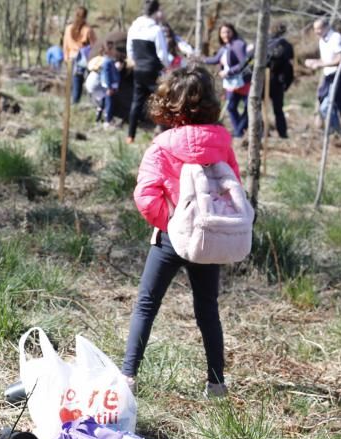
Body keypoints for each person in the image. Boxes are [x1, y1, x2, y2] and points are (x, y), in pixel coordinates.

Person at [121, 64, 239, 398]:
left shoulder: (162, 144)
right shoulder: (222, 142)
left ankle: (128, 376)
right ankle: (216, 383)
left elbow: (146, 195)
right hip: (207, 236)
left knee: (146, 304)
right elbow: (235, 186)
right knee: (208, 309)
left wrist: (169, 222)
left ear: (169, 102)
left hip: (172, 237)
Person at [125, 0, 170, 143]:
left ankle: (130, 135)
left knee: (136, 101)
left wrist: (135, 61)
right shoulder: (156, 29)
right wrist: (167, 66)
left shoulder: (134, 27)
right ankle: (160, 135)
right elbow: (162, 54)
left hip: (138, 69)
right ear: (156, 12)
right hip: (153, 70)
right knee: (162, 100)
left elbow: (129, 50)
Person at [204, 23, 250, 139]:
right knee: (231, 107)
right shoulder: (225, 47)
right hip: (231, 83)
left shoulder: (238, 45)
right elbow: (215, 59)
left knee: (248, 108)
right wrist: (200, 58)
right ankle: (239, 132)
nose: (225, 35)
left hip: (243, 82)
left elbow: (243, 63)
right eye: (223, 32)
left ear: (233, 32)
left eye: (228, 31)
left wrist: (228, 72)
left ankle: (240, 131)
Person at [305, 17, 341, 134]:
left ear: (326, 27)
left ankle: (337, 132)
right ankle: (333, 131)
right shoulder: (322, 40)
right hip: (328, 76)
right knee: (324, 105)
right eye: (315, 29)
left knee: (327, 107)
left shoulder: (336, 38)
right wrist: (315, 62)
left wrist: (321, 65)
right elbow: (326, 59)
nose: (316, 32)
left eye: (318, 29)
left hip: (339, 75)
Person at [63, 7, 96, 104]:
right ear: (85, 16)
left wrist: (66, 58)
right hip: (84, 59)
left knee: (75, 84)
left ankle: (74, 103)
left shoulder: (68, 28)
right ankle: (92, 104)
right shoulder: (88, 30)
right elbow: (95, 45)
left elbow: (65, 45)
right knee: (90, 83)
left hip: (71, 58)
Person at [266, 23, 294, 139]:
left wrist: (286, 82)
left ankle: (282, 133)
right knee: (272, 109)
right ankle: (264, 131)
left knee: (277, 109)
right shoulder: (266, 43)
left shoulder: (285, 46)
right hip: (267, 80)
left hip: (276, 80)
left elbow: (289, 66)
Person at [87, 40, 120, 128]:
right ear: (109, 51)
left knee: (104, 103)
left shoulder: (109, 61)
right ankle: (107, 122)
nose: (115, 51)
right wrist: (109, 87)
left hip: (110, 86)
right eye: (114, 49)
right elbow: (106, 75)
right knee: (109, 104)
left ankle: (100, 119)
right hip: (109, 87)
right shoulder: (107, 62)